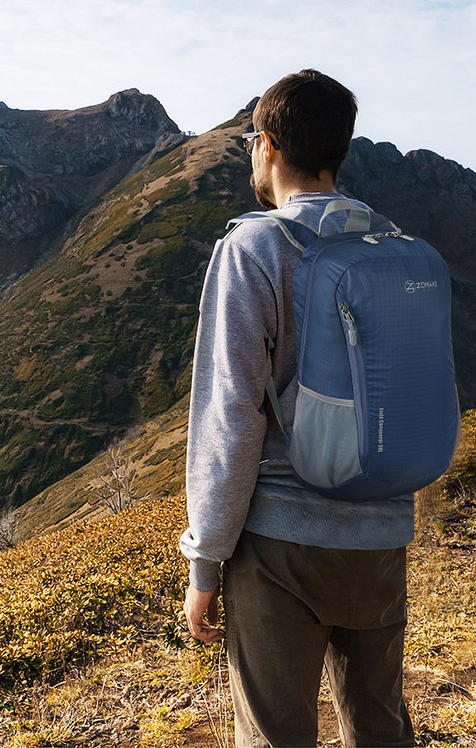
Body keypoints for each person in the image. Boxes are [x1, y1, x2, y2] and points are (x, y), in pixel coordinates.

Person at [180, 69, 415, 748]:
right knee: (379, 728)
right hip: (380, 535)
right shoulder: (393, 249)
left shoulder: (254, 248)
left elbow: (231, 417)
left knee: (275, 735)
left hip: (284, 544)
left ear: (269, 145)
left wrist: (205, 563)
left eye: (252, 142)